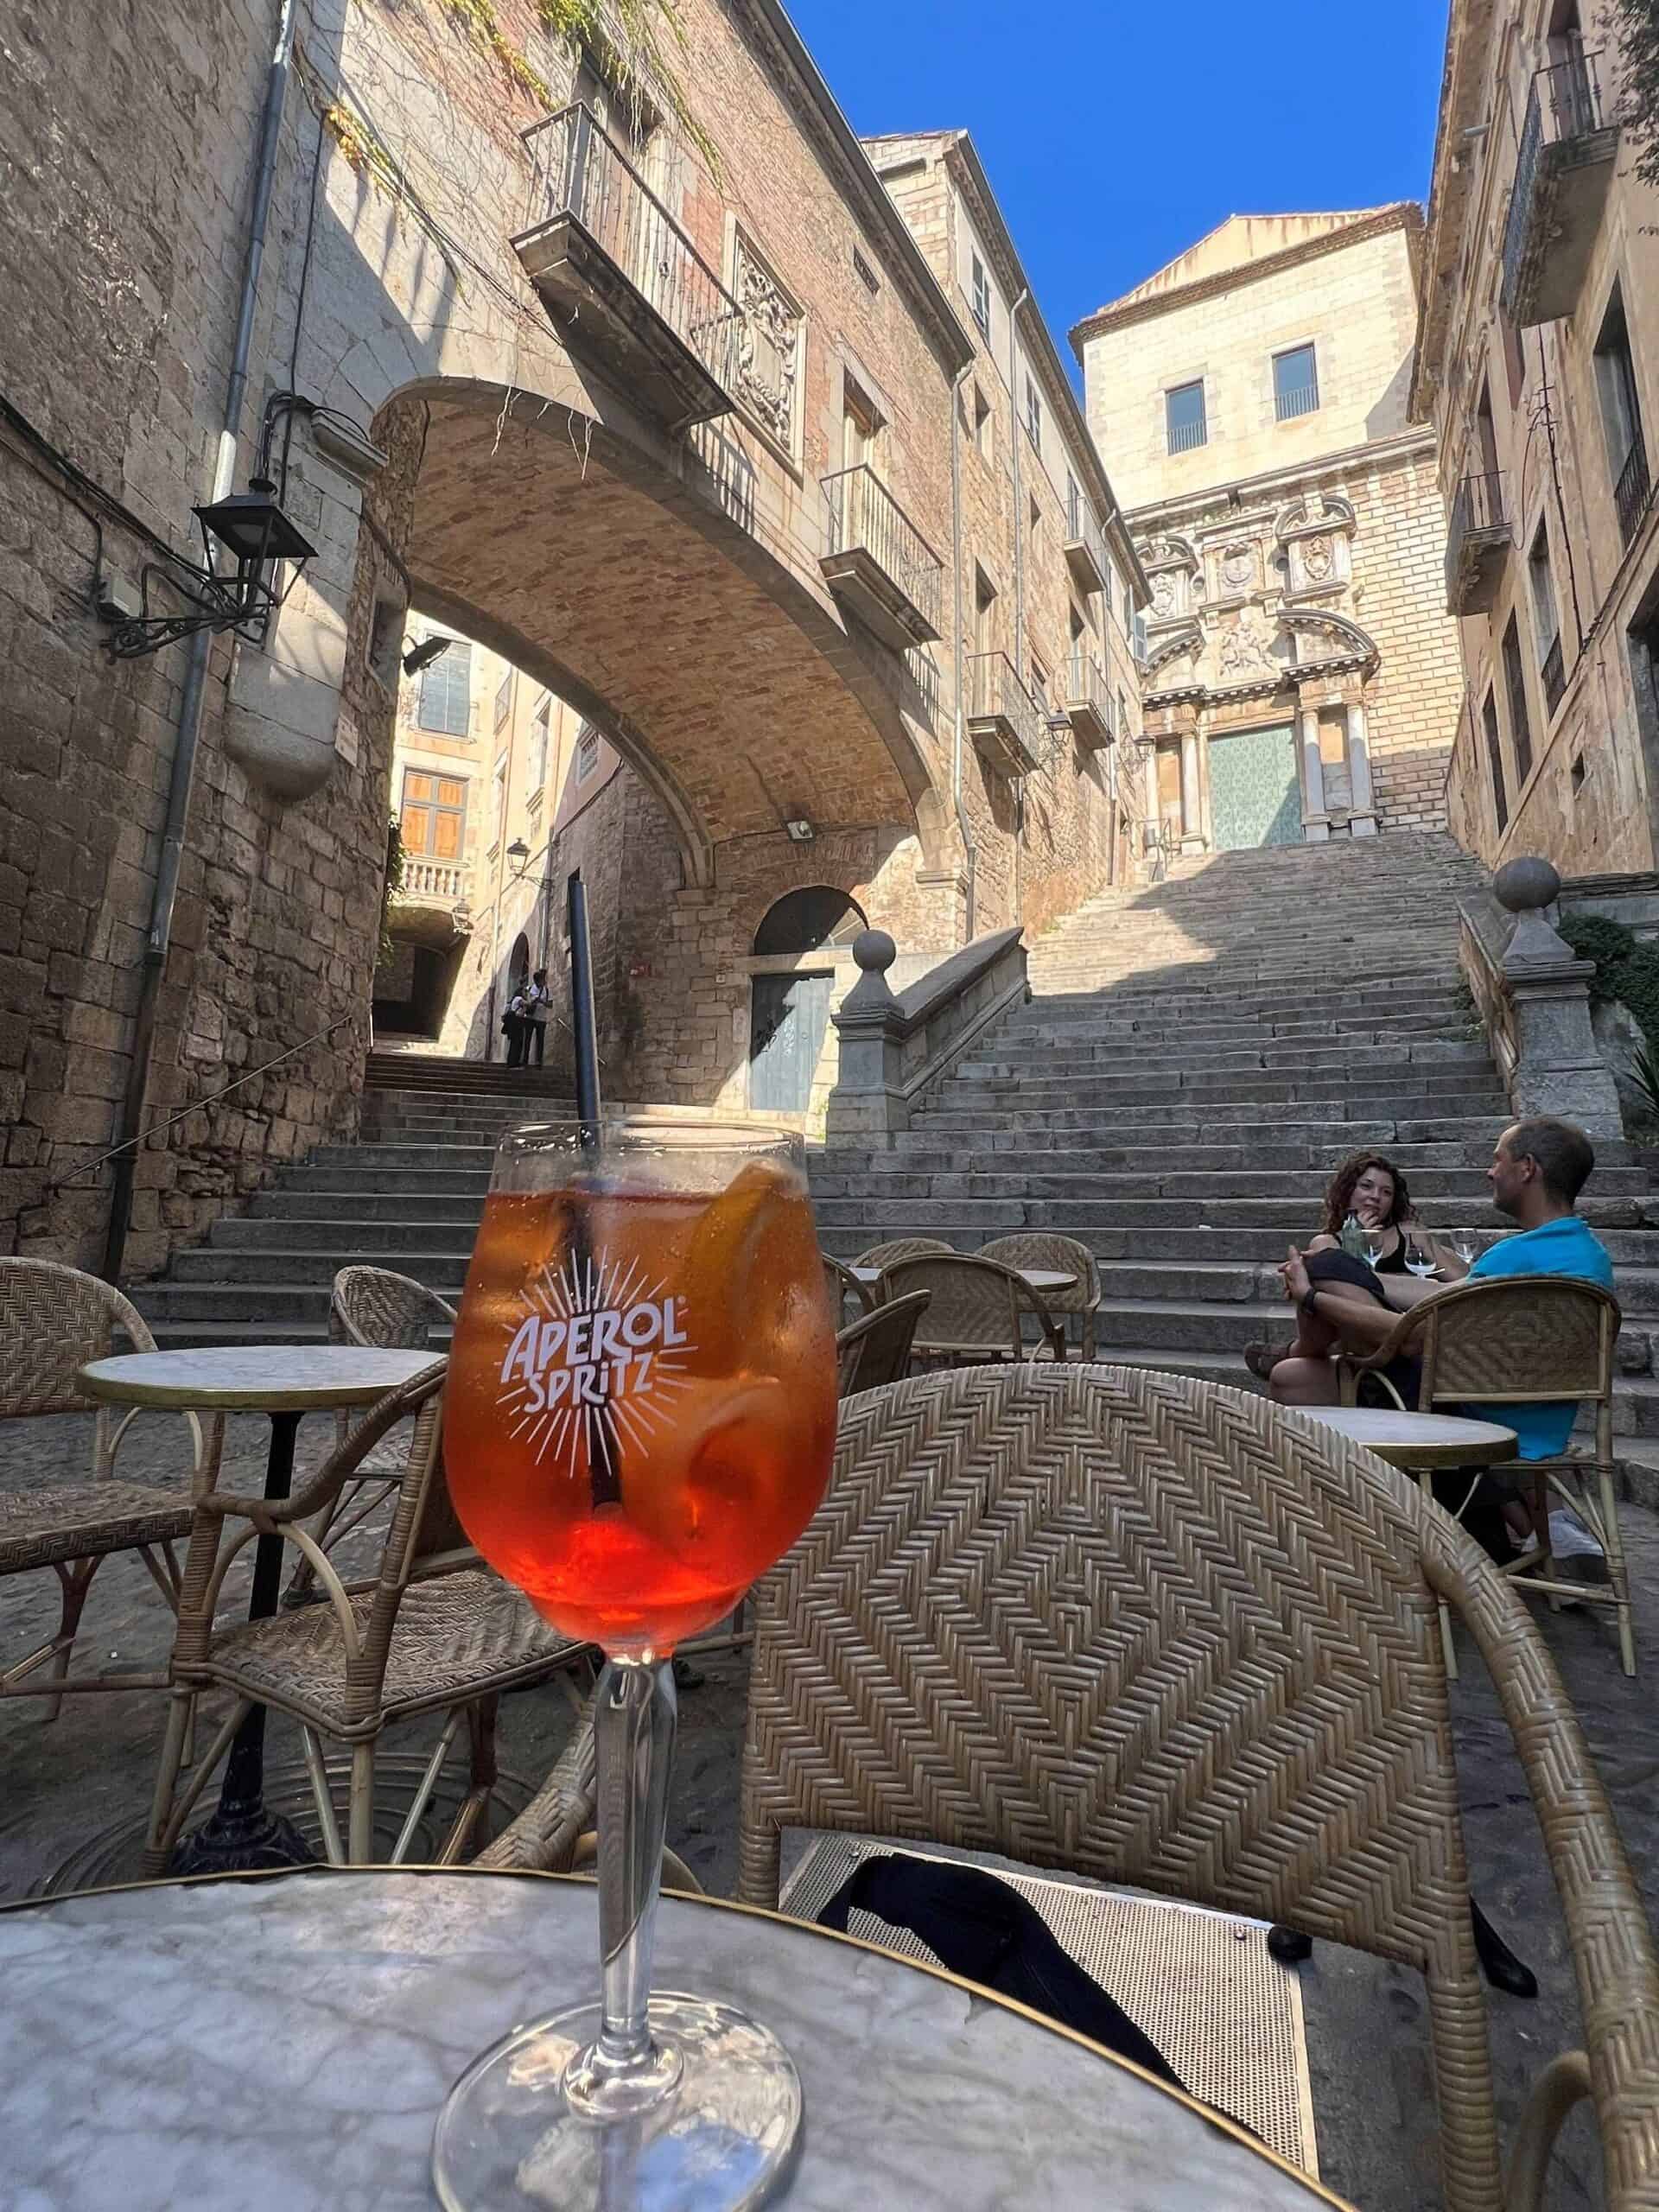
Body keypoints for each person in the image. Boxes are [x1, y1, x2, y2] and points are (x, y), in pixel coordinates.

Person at [1243, 1152, 1461, 1394]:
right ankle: (1298, 1352)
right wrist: (1353, 1245)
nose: (1375, 1196)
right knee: (1323, 1263)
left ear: (1393, 1202)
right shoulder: (1327, 1243)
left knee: (1317, 1271)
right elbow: (1341, 1292)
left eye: (1386, 1192)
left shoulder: (1408, 1234)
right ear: (1348, 1192)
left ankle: (1293, 1351)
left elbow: (1466, 1279)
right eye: (1366, 1186)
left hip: (1412, 1326)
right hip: (1359, 1338)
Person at [524, 968, 551, 1068]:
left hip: (541, 1018)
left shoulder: (547, 990)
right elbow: (529, 1002)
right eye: (541, 980)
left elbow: (550, 1005)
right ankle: (525, 1061)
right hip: (531, 1017)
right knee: (528, 1039)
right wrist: (536, 1000)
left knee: (540, 1041)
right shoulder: (532, 989)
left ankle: (539, 1062)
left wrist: (542, 1001)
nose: (543, 982)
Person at [501, 984, 528, 1068]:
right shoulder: (519, 999)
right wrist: (534, 999)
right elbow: (527, 1004)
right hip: (517, 1023)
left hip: (514, 1023)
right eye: (524, 991)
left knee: (514, 1043)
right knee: (517, 1042)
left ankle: (512, 1061)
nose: (525, 993)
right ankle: (513, 1062)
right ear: (520, 992)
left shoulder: (514, 1000)